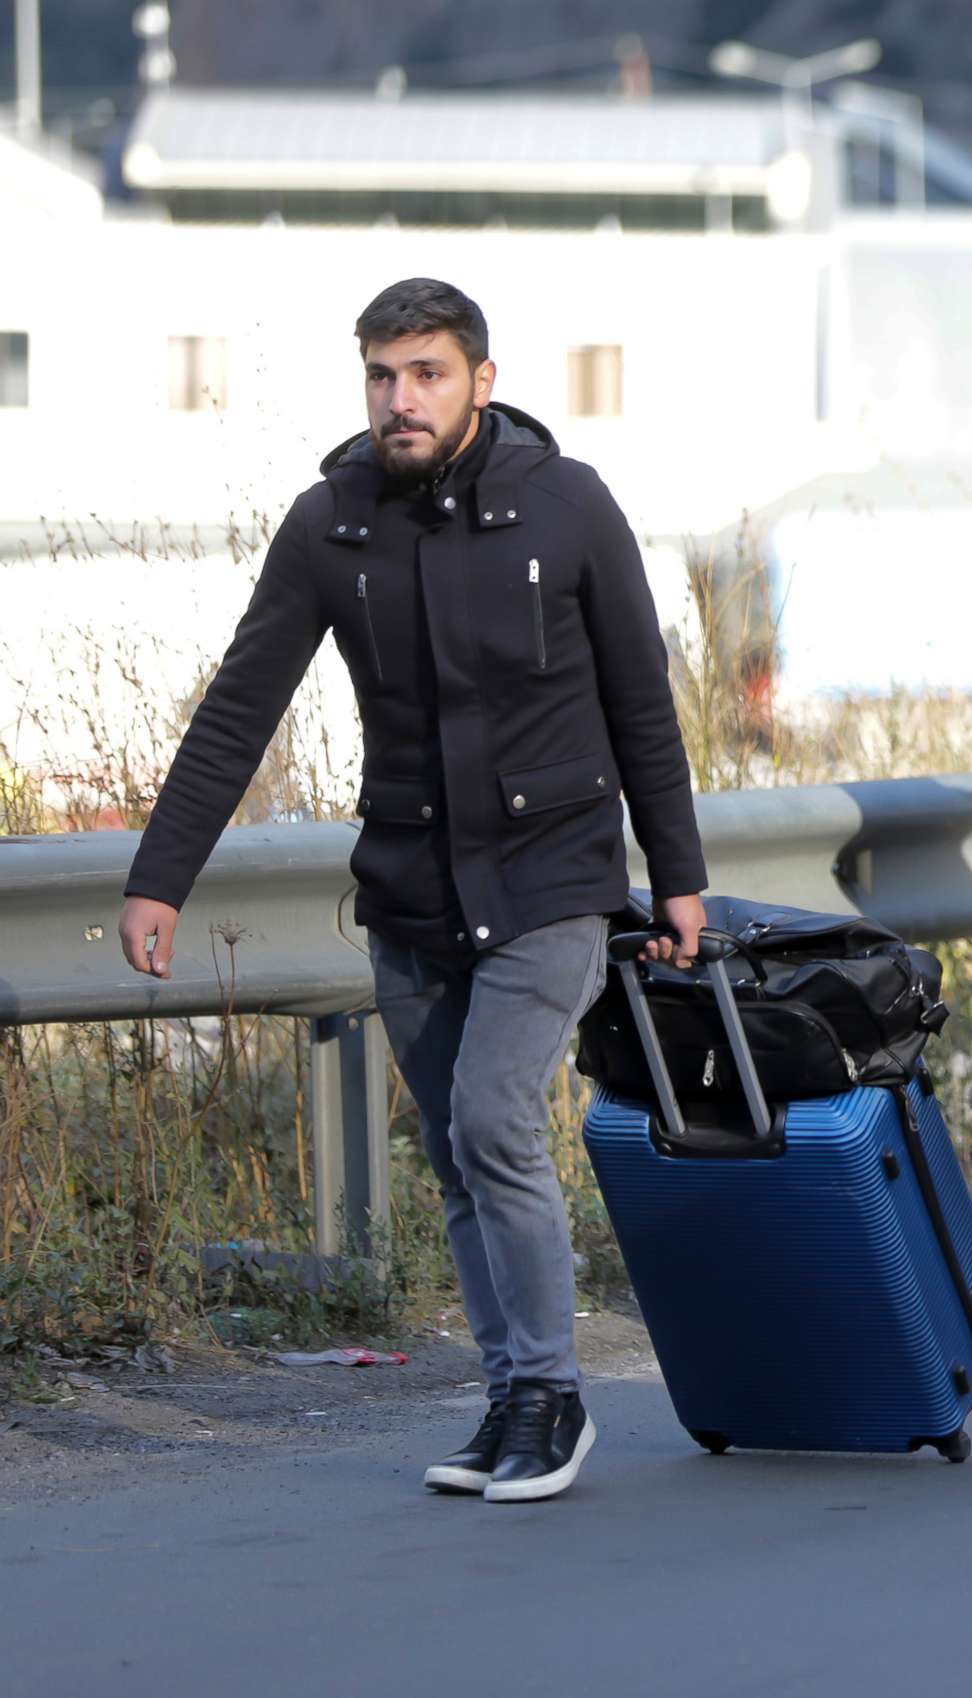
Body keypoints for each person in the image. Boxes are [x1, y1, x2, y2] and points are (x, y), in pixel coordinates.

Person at [117, 279, 706, 1502]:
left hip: (553, 876)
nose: (402, 400)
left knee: (495, 1120)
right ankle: (506, 1398)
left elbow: (642, 705)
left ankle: (551, 1394)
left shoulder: (568, 504)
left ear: (481, 381)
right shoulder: (330, 525)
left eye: (427, 374)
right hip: (411, 883)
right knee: (452, 1150)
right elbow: (240, 709)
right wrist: (159, 881)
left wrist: (680, 878)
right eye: (384, 377)